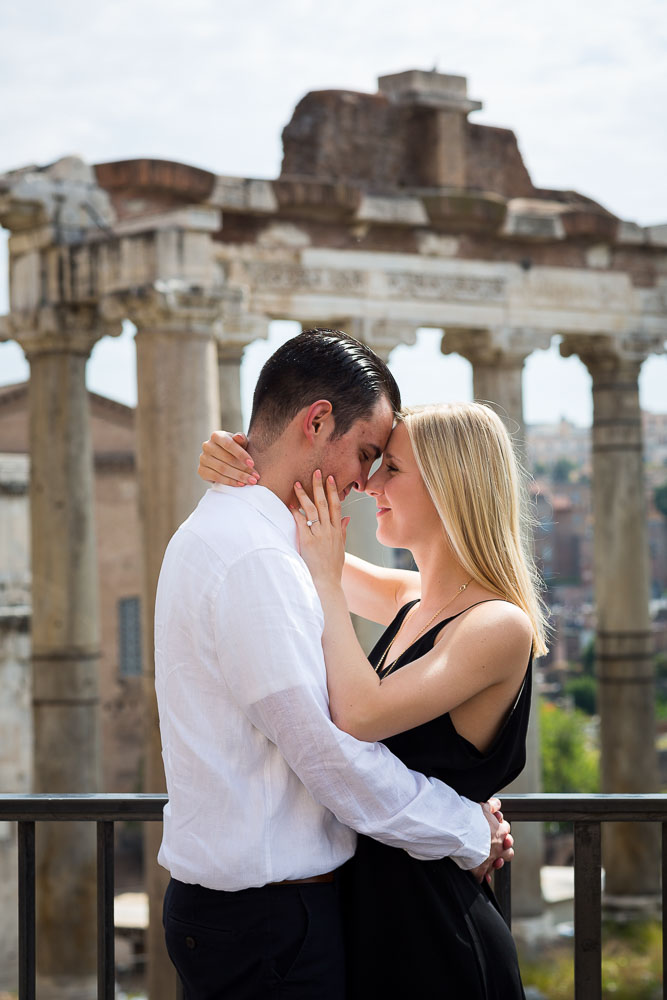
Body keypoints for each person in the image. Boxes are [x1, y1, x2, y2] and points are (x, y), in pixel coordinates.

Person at [156, 328, 513, 1000]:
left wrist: (252, 459)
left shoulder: (245, 537)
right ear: (317, 420)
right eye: (368, 454)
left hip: (313, 913)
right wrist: (467, 825)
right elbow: (328, 750)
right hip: (273, 922)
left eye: (387, 466)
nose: (364, 481)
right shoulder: (259, 558)